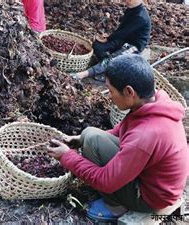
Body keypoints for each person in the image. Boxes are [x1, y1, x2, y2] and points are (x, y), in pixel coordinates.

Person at [47, 55, 188, 222]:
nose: (109, 96)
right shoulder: (153, 101)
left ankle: (116, 205)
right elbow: (122, 130)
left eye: (111, 90)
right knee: (89, 135)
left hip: (150, 198)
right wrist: (80, 138)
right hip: (152, 179)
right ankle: (120, 194)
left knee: (94, 144)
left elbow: (105, 181)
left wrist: (67, 156)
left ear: (129, 92)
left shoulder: (146, 135)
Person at [72, 0, 151, 81]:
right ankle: (107, 68)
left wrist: (108, 39)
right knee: (97, 45)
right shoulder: (130, 9)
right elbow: (121, 29)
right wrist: (108, 37)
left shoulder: (140, 17)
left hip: (134, 45)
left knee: (112, 60)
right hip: (123, 40)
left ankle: (83, 74)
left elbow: (124, 32)